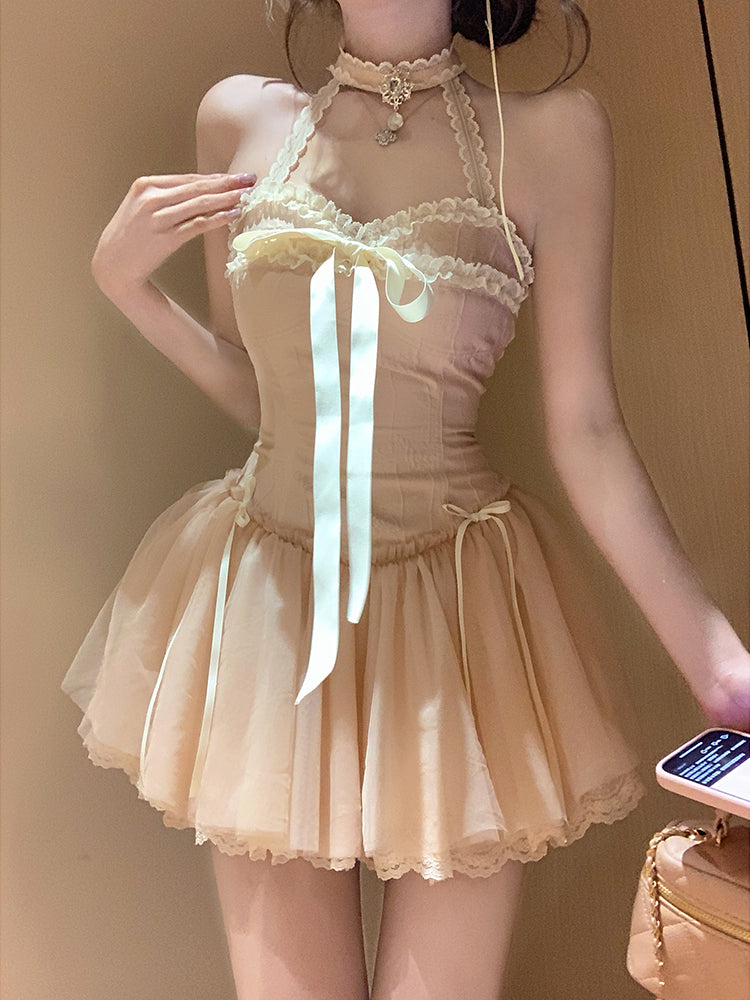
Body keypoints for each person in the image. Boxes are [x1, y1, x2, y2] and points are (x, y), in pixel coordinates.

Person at [61, 0, 750, 997]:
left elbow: (587, 429)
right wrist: (131, 290)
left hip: (458, 624)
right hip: (269, 610)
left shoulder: (553, 135)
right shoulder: (239, 118)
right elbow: (264, 394)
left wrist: (723, 670)